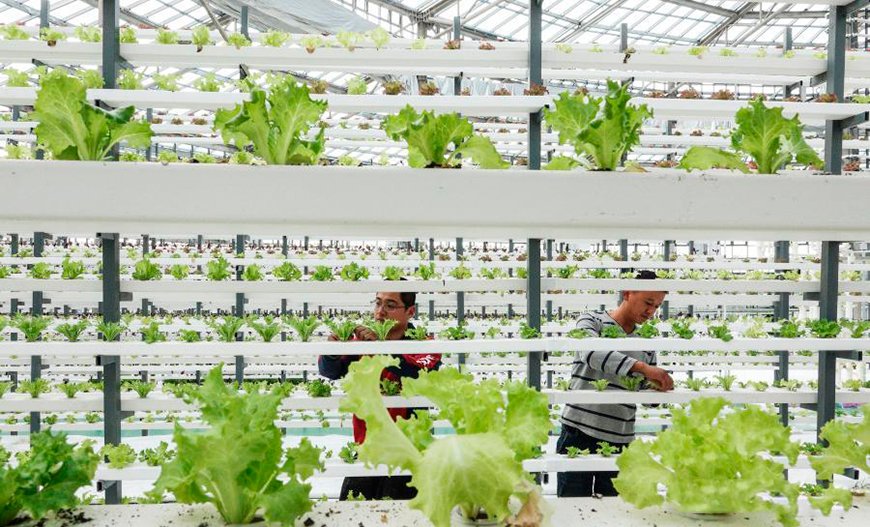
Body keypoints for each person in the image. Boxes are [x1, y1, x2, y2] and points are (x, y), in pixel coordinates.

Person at [557, 270, 674, 497]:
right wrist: (642, 368)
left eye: (657, 306)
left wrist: (657, 388)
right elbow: (590, 352)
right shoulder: (591, 320)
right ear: (627, 293)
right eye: (648, 302)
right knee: (572, 506)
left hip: (620, 439)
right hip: (578, 433)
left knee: (616, 511)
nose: (651, 311)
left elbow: (643, 391)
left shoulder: (645, 342)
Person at [318, 288, 441, 501]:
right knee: (351, 511)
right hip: (367, 448)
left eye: (390, 305)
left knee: (402, 512)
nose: (380, 311)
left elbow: (419, 371)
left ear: (410, 311)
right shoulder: (362, 343)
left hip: (409, 451)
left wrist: (381, 348)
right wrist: (332, 351)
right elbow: (330, 371)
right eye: (377, 303)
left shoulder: (424, 342)